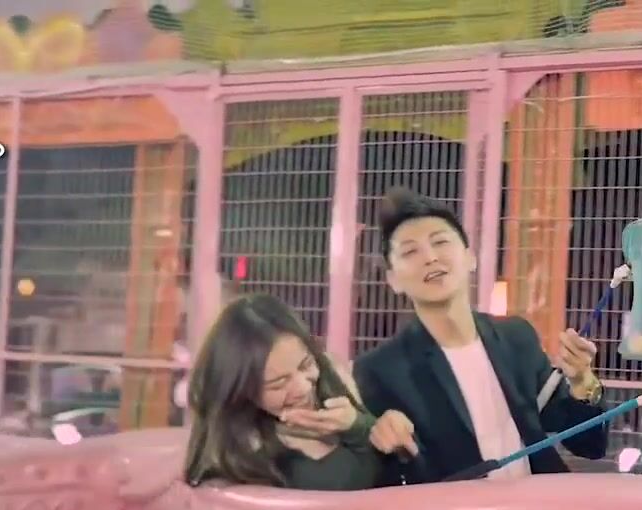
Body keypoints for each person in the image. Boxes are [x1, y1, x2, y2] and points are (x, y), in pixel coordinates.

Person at [353, 187, 608, 485]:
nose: (430, 257)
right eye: (410, 251)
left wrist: (582, 382)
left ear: (470, 258)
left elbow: (589, 445)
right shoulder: (380, 370)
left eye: (440, 242)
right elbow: (384, 475)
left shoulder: (516, 338)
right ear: (393, 279)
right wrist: (382, 439)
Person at [183, 293, 387, 491]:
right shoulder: (237, 452)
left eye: (305, 365)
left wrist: (356, 425)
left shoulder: (330, 377)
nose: (303, 388)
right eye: (278, 383)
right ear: (241, 391)